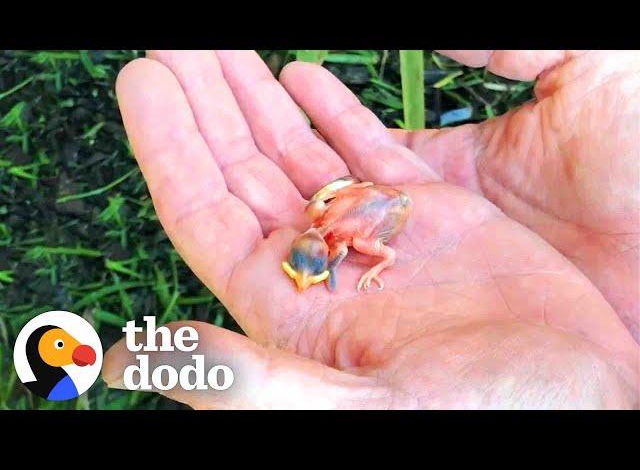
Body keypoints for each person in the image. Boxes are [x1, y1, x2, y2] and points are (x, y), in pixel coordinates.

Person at [102, 50, 639, 409]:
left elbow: (384, 255)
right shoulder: (322, 223)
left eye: (306, 266)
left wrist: (369, 271)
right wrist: (329, 200)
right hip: (366, 200)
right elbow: (328, 207)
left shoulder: (352, 241)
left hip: (386, 207)